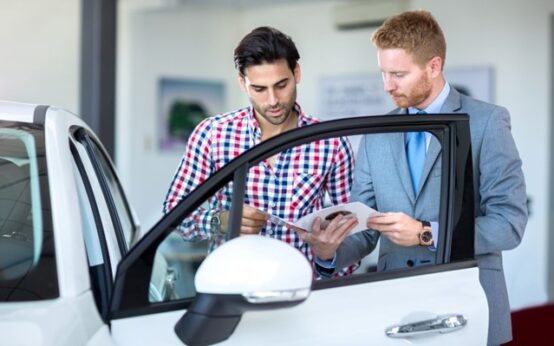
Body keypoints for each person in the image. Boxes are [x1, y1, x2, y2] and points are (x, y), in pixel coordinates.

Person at [300, 10, 528, 345]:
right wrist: (328, 251)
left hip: (469, 305)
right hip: (396, 310)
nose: (387, 85)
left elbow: (509, 223)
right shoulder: (376, 134)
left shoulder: (487, 122)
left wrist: (425, 233)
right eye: (383, 73)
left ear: (433, 66)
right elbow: (364, 230)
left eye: (398, 74)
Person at [163, 26, 358, 276]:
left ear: (296, 73)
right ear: (243, 83)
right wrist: (223, 221)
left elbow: (353, 234)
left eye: (281, 85)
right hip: (230, 288)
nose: (273, 100)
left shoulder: (331, 143)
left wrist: (328, 257)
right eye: (260, 89)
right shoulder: (213, 134)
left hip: (305, 291)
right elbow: (174, 213)